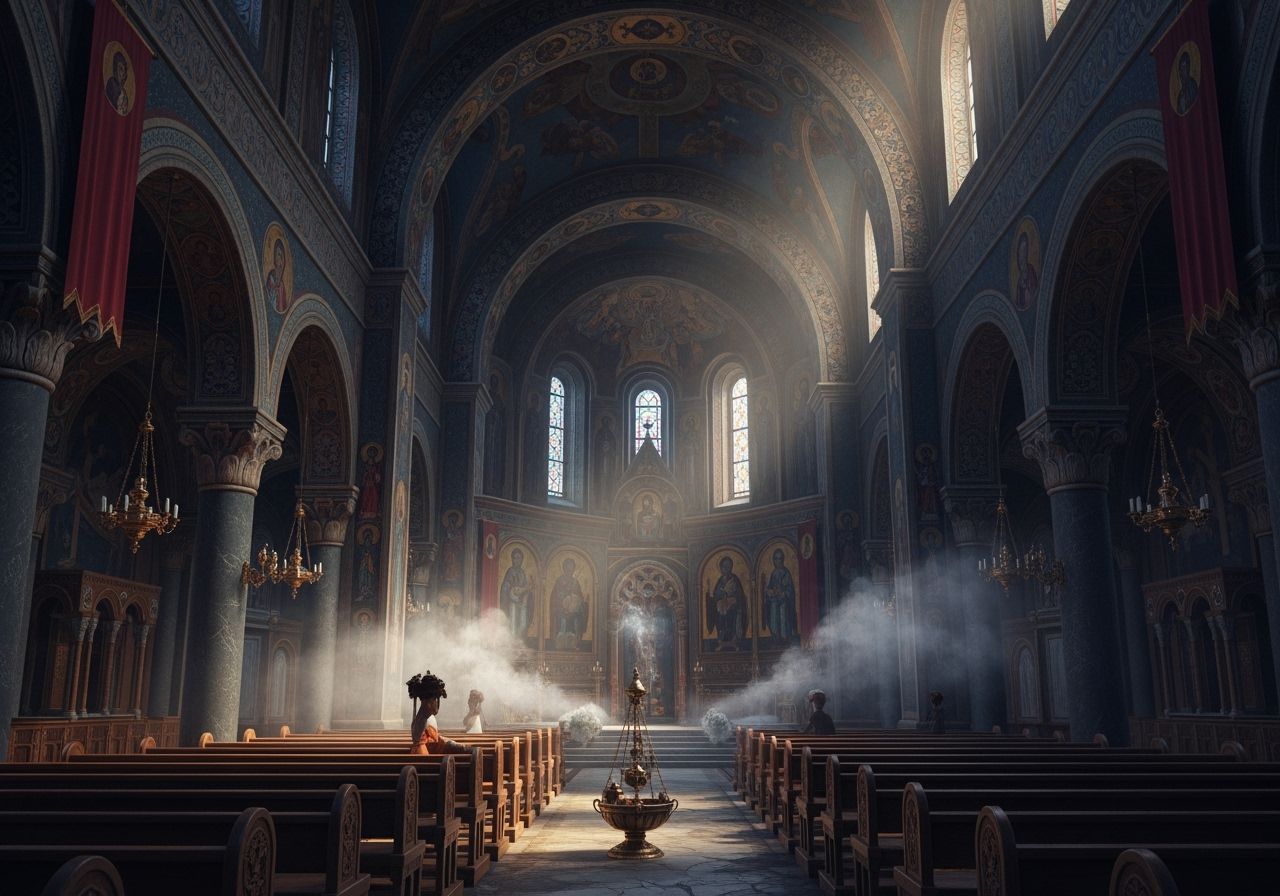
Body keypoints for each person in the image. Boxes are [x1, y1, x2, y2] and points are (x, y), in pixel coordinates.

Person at [407, 670, 469, 755]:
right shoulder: (422, 720)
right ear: (429, 703)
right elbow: (426, 750)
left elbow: (434, 742)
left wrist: (456, 746)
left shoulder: (425, 717)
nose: (437, 703)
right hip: (424, 758)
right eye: (435, 700)